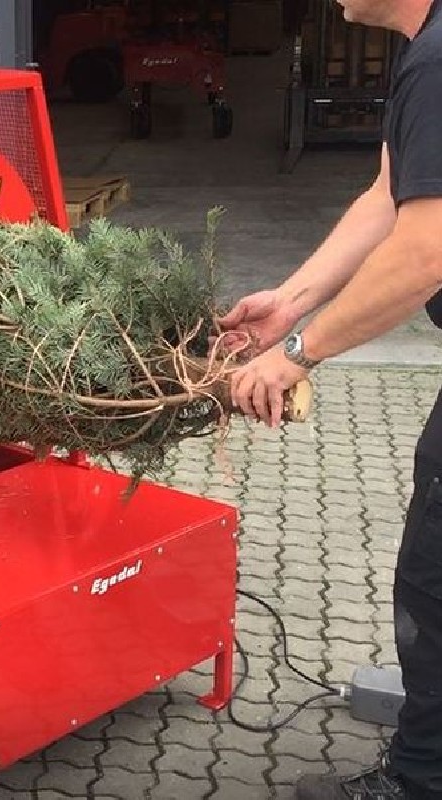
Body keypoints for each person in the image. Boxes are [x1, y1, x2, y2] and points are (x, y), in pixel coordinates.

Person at [218, 0, 442, 797]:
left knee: (433, 579)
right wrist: (291, 301)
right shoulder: (424, 53)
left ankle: (419, 782)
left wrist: (296, 353)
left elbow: (425, 250)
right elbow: (390, 195)